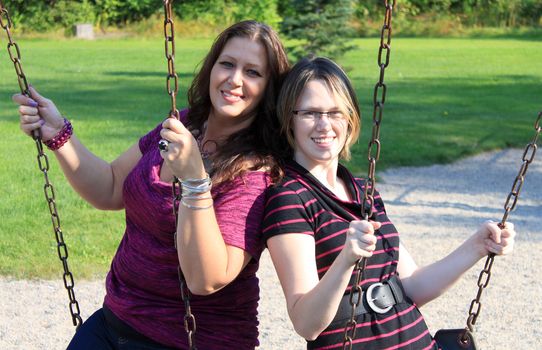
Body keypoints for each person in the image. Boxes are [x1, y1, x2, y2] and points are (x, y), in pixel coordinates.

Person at [13, 20, 289, 349]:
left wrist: (194, 181)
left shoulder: (255, 170)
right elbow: (111, 185)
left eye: (252, 72)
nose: (234, 79)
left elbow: (207, 279)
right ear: (211, 67)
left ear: (268, 88)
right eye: (227, 64)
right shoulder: (184, 124)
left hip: (187, 340)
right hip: (114, 320)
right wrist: (59, 135)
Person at [262, 56, 516, 349]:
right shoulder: (290, 197)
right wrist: (347, 259)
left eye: (335, 112)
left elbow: (414, 286)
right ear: (290, 119)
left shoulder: (362, 190)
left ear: (350, 118)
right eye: (310, 113)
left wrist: (477, 246)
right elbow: (306, 323)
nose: (324, 124)